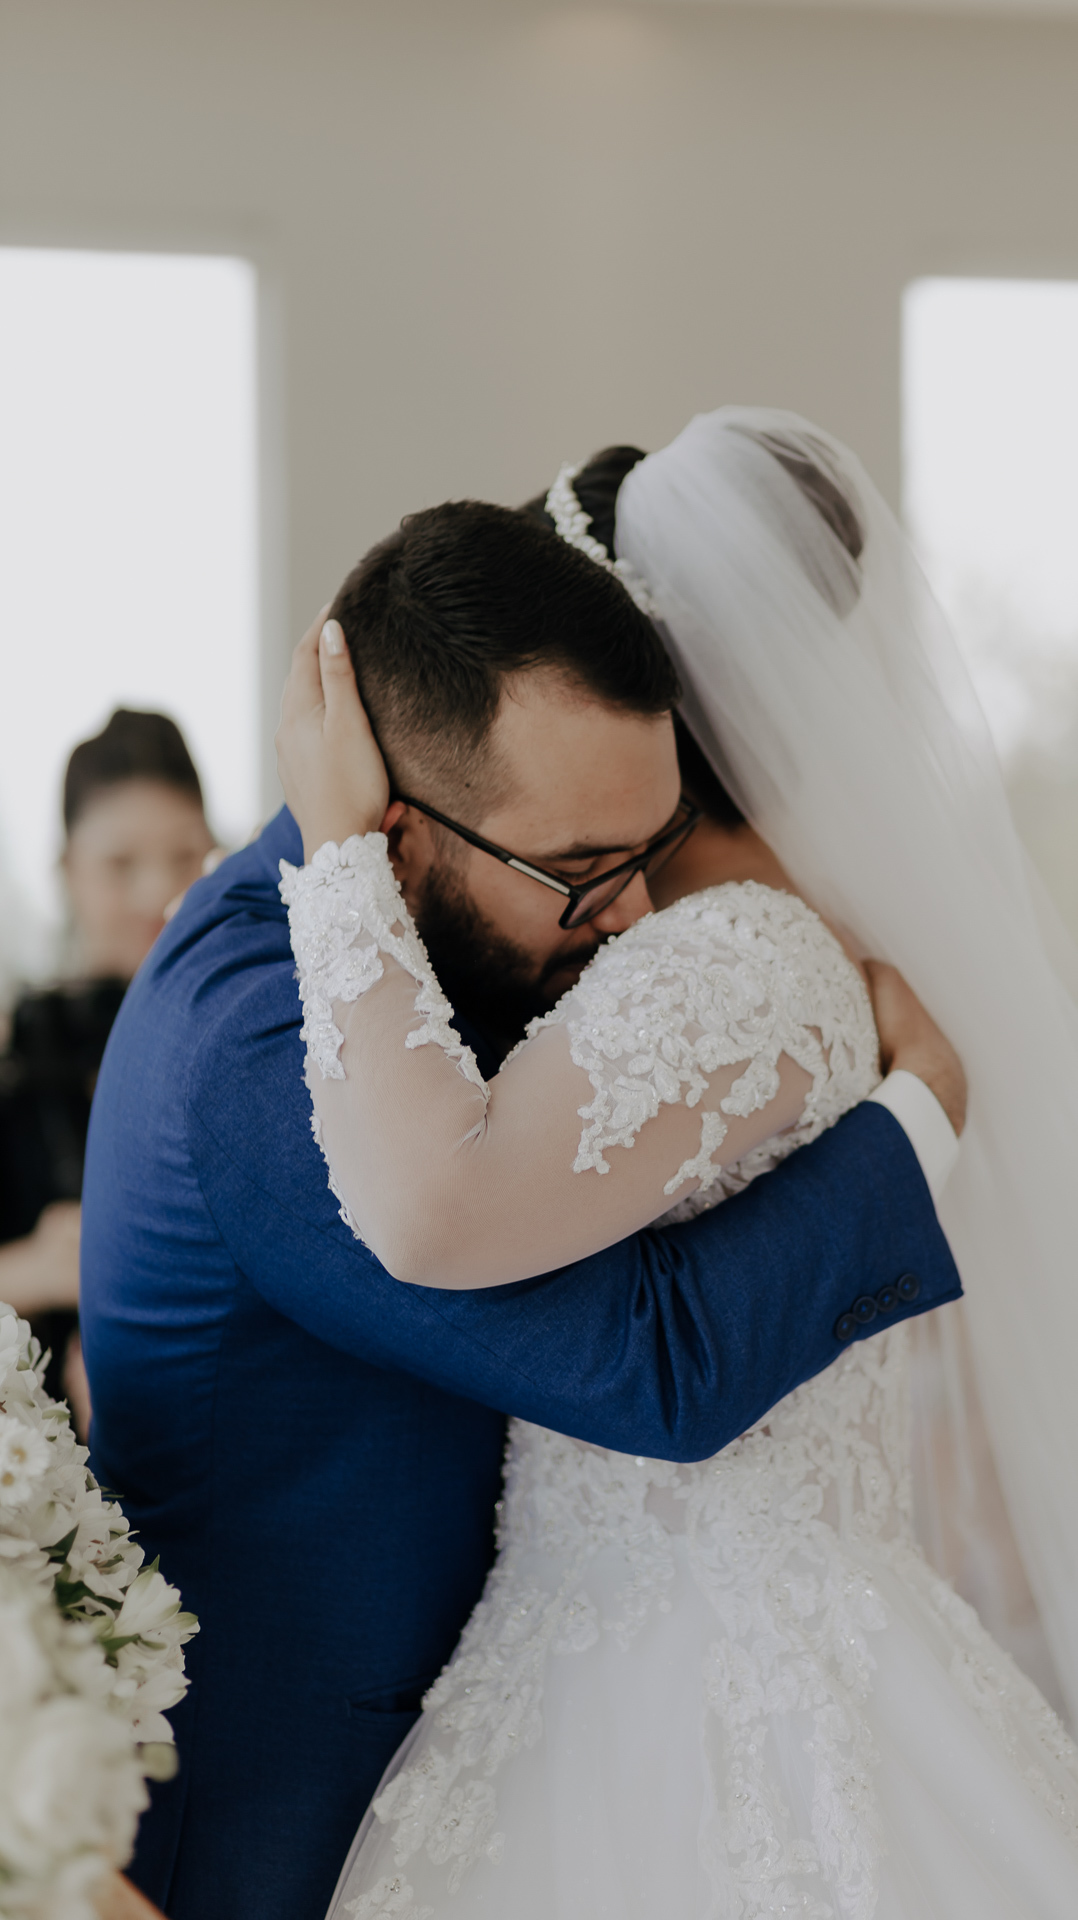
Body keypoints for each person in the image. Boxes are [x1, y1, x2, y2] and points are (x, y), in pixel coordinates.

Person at [80, 490, 963, 1920]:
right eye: (575, 872)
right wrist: (919, 1119)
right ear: (395, 828)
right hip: (291, 1820)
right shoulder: (261, 1050)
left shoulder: (438, 966)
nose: (628, 919)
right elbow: (649, 1364)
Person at [274, 409, 1078, 1918]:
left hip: (696, 1675)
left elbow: (434, 1205)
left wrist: (335, 858)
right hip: (651, 1627)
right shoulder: (751, 939)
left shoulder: (736, 957)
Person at [0, 710, 214, 1419]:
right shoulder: (13, 1058)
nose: (156, 895)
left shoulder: (239, 1041)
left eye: (185, 858)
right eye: (120, 864)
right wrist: (33, 1270)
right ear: (67, 869)